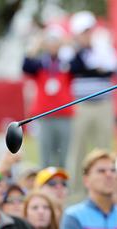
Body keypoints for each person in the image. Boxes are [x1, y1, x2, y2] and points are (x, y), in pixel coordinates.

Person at [66, 10, 117, 201]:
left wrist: (95, 67)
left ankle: (106, 188)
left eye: (89, 31)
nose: (87, 35)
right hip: (82, 105)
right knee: (79, 148)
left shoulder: (102, 47)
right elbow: (75, 67)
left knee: (104, 146)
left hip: (104, 104)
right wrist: (94, 67)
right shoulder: (72, 50)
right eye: (83, 32)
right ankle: (77, 191)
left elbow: (111, 68)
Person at [22, 25, 73, 168]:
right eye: (50, 41)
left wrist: (69, 43)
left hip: (64, 115)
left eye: (56, 41)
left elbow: (81, 62)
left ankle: (63, 188)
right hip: (45, 115)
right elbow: (25, 65)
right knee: (46, 155)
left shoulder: (66, 62)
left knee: (64, 156)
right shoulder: (39, 63)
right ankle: (45, 189)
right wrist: (36, 44)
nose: (53, 45)